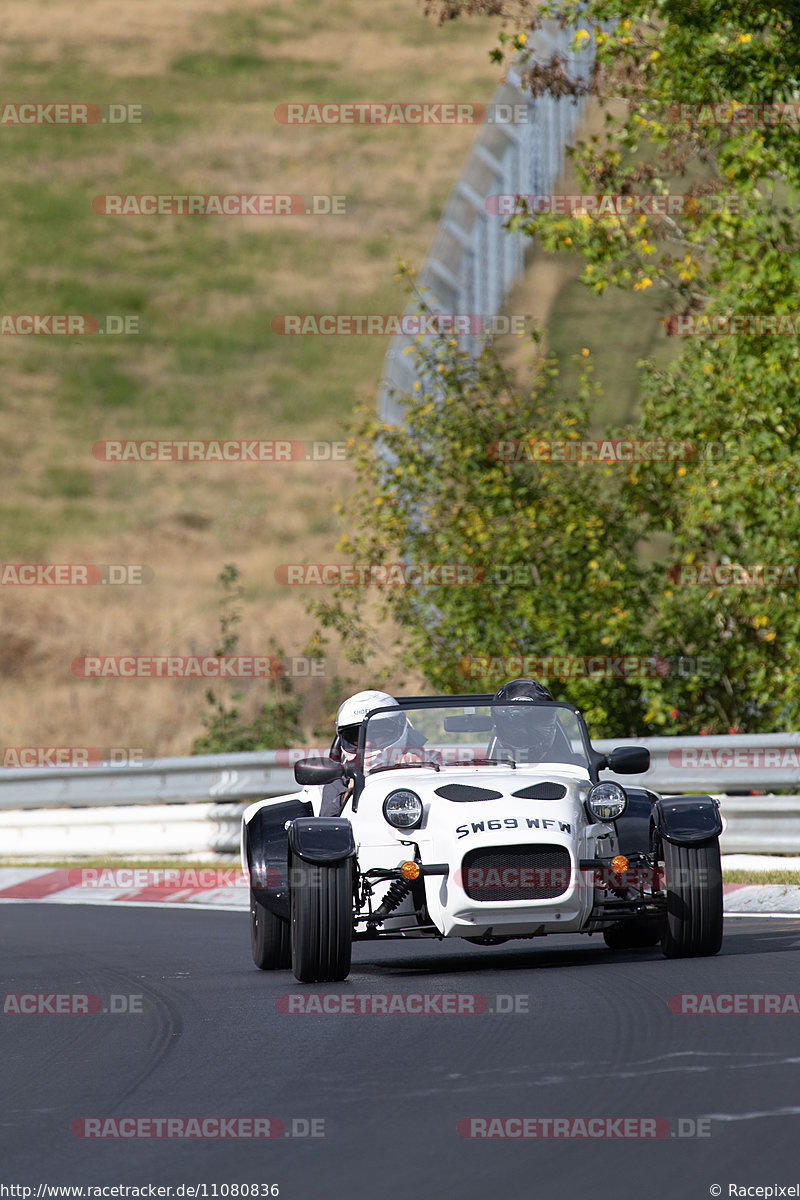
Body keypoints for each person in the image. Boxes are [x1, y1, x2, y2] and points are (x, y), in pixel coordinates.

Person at [319, 690, 422, 816]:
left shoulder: (424, 762)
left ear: (395, 730)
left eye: (376, 734)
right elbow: (326, 827)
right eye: (355, 738)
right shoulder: (340, 781)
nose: (366, 744)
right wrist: (349, 793)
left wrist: (421, 769)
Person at [490, 677, 574, 764]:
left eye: (535, 720)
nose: (524, 732)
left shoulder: (568, 766)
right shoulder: (490, 767)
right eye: (517, 724)